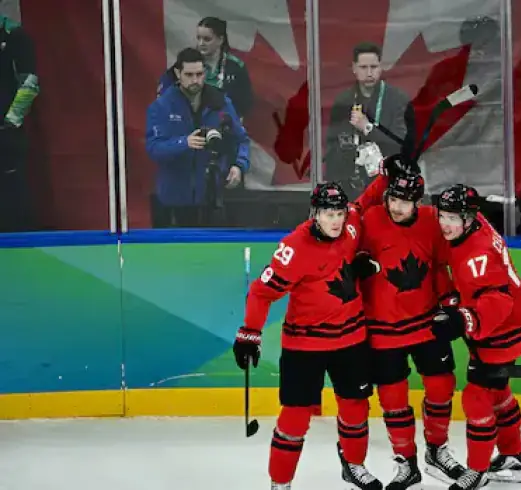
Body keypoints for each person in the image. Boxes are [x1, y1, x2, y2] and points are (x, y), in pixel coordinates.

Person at [232, 175, 390, 490]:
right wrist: (250, 332)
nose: (336, 220)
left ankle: (354, 465)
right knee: (295, 417)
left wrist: (386, 174)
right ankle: (281, 484)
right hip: (304, 345)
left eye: (339, 213)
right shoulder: (293, 248)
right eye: (328, 214)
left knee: (356, 407)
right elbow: (262, 292)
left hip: (351, 339)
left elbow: (364, 202)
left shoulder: (352, 226)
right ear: (314, 213)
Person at [358, 161, 467, 489]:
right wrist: (380, 179)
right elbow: (341, 220)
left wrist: (451, 302)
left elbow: (444, 264)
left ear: (418, 202)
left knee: (441, 386)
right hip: (382, 325)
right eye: (392, 198)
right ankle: (405, 461)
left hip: (425, 320)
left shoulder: (434, 222)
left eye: (404, 202)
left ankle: (436, 451)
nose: (396, 206)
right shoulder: (370, 217)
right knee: (393, 398)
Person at [430, 184, 521, 490]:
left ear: (468, 218)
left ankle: (476, 470)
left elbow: (497, 300)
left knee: (476, 397)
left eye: (453, 218)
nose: (445, 224)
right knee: (498, 392)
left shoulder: (477, 253)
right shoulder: (474, 226)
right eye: (443, 216)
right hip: (508, 325)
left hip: (500, 330)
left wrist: (464, 318)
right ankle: (512, 457)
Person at [146, 47, 250, 228]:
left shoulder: (221, 102)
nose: (195, 80)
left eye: (200, 74)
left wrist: (239, 166)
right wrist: (183, 143)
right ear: (178, 73)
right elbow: (154, 148)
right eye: (189, 75)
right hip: (173, 200)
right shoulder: (162, 106)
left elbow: (241, 139)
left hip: (211, 198)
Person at [324, 42, 415, 200]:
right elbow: (332, 146)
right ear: (354, 68)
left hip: (388, 183)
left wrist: (367, 127)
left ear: (380, 68)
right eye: (363, 67)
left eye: (373, 67)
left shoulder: (398, 100)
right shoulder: (343, 101)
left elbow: (402, 144)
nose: (369, 73)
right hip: (351, 184)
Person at [157, 17, 253, 120]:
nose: (201, 43)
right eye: (199, 38)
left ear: (220, 40)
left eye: (207, 39)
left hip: (224, 125)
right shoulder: (189, 61)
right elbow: (164, 87)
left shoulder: (235, 66)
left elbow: (245, 102)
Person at [0, 14, 39, 232]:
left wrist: (10, 123)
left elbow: (29, 83)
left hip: (6, 138)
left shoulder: (15, 35)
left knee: (11, 201)